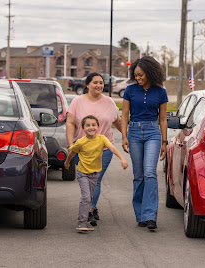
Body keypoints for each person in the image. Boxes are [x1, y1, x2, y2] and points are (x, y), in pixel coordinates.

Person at [66, 73, 122, 223]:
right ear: (87, 84)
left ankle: (90, 209)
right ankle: (92, 205)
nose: (99, 85)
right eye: (95, 82)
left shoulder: (109, 102)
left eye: (101, 83)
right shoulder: (77, 102)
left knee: (96, 179)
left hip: (103, 149)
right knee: (90, 180)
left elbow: (118, 122)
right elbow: (70, 123)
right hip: (82, 149)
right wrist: (71, 143)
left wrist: (126, 137)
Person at [121, 56, 168, 230]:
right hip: (133, 133)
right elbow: (124, 116)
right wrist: (124, 136)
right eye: (136, 75)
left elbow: (162, 119)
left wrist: (164, 141)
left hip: (152, 133)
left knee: (150, 173)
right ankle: (140, 214)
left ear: (150, 72)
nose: (138, 78)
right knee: (139, 176)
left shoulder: (161, 92)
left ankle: (150, 216)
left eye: (141, 75)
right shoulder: (130, 90)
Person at [65, 115, 128, 232]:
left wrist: (122, 158)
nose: (91, 127)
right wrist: (67, 162)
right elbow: (72, 153)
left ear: (98, 127)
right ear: (83, 128)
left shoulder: (102, 139)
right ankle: (81, 222)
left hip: (94, 174)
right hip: (83, 173)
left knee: (89, 198)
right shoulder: (81, 142)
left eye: (93, 125)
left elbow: (112, 148)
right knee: (86, 197)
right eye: (88, 125)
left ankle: (85, 221)